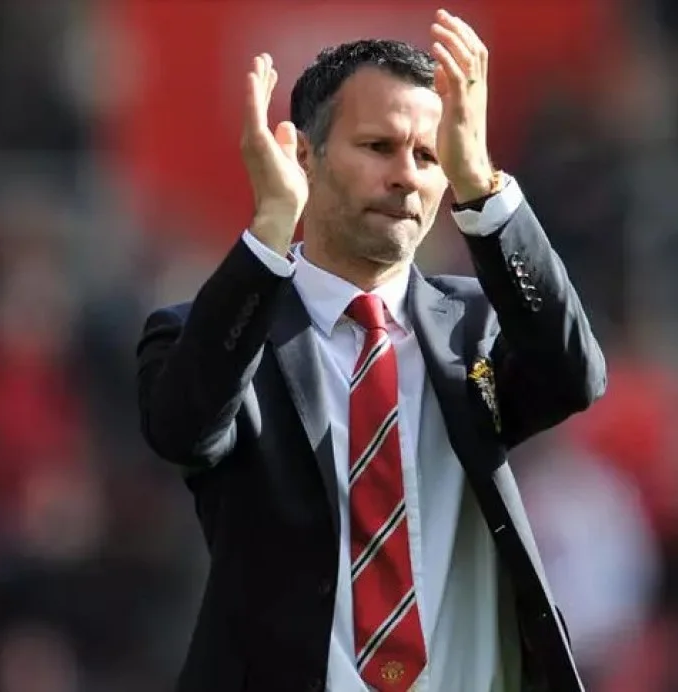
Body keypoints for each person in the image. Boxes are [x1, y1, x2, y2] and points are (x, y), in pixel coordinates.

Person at [137, 10, 606, 691]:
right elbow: (184, 427)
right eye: (379, 147)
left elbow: (573, 375)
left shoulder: (477, 326)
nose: (407, 176)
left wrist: (481, 184)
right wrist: (270, 229)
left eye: (428, 157)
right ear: (304, 157)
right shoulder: (215, 335)